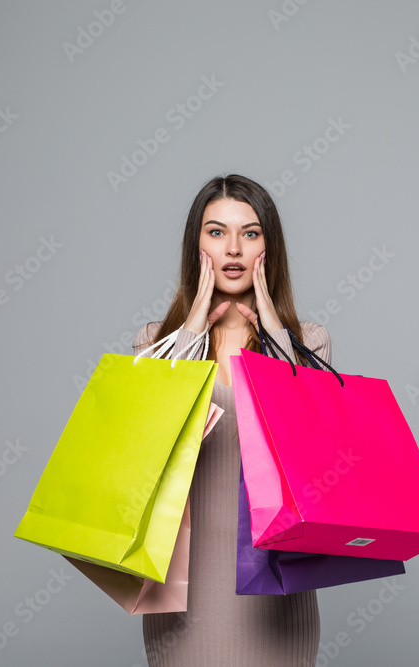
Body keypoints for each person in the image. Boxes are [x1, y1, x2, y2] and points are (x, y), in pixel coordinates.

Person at [132, 174, 332, 666]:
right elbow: (150, 452)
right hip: (185, 593)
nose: (234, 248)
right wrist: (193, 331)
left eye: (251, 232)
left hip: (275, 593)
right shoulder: (154, 342)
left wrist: (276, 336)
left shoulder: (308, 341)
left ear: (270, 246)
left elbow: (306, 452)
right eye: (216, 232)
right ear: (196, 246)